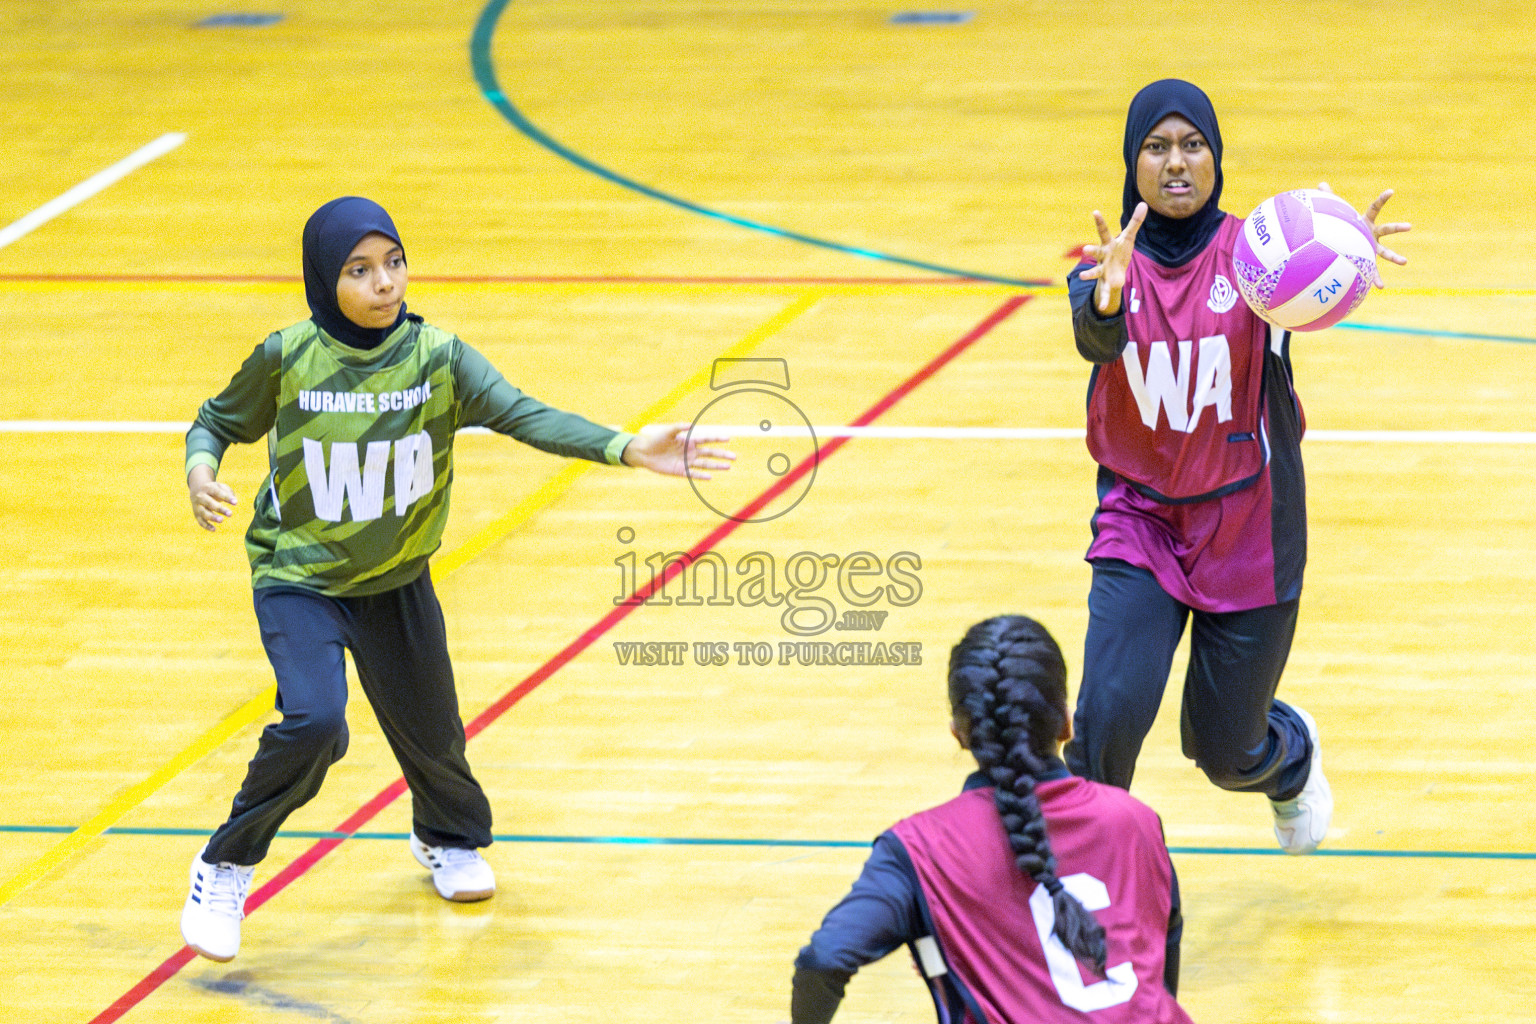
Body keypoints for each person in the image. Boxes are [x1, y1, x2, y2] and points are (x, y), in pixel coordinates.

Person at [178, 196, 732, 963]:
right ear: (321, 279)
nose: (385, 284)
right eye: (360, 270)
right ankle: (226, 864)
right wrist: (200, 471)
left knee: (434, 735)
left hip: (397, 581)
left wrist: (627, 447)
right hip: (299, 579)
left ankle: (445, 838)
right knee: (315, 722)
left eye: (394, 263)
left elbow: (521, 413)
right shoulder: (287, 357)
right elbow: (213, 422)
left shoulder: (437, 358)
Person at [1064, 80, 1410, 852]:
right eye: (1157, 147)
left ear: (1217, 159)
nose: (1176, 163)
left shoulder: (1259, 260)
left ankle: (1289, 762)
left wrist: (1348, 251)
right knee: (1107, 721)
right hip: (1142, 521)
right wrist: (1109, 300)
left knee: (1223, 752)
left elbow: (1309, 275)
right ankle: (1074, 889)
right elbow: (1094, 338)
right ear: (1132, 160)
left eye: (1194, 146)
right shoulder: (1105, 267)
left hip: (1251, 527)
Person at [792, 615, 1194, 1024]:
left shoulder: (918, 848)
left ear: (959, 733)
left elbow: (825, 959)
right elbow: (1161, 952)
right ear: (1067, 723)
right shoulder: (1136, 821)